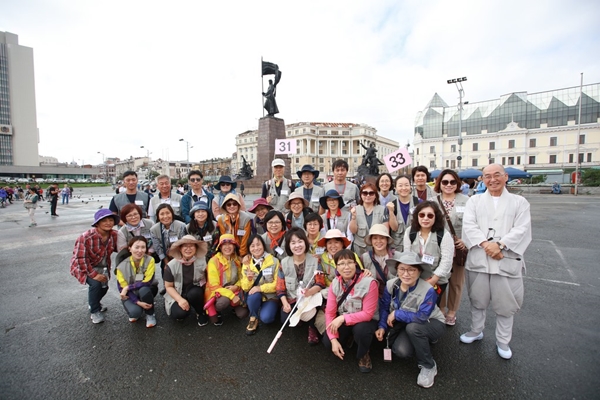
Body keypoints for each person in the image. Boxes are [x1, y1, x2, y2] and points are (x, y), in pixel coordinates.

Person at [460, 164, 532, 360]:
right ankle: (476, 330)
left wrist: (500, 245)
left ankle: (503, 340)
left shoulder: (520, 202)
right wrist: (486, 245)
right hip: (480, 259)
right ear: (482, 179)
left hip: (505, 259)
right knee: (477, 299)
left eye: (497, 175)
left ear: (505, 177)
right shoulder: (474, 201)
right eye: (487, 176)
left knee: (506, 304)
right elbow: (469, 226)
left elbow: (522, 229)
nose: (492, 180)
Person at [376, 252, 446, 388]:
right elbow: (384, 307)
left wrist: (397, 314)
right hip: (407, 322)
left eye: (411, 270)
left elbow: (422, 316)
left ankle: (428, 365)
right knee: (401, 350)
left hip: (431, 322)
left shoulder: (428, 290)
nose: (406, 274)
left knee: (414, 329)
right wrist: (382, 326)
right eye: (402, 269)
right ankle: (421, 340)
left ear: (419, 272)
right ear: (397, 270)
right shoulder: (391, 285)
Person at [323, 249, 378, 373]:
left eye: (349, 262)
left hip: (365, 320)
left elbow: (368, 314)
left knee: (361, 331)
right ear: (336, 267)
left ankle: (364, 353)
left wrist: (342, 318)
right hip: (346, 316)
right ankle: (350, 337)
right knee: (327, 341)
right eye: (341, 263)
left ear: (355, 264)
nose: (346, 267)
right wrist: (333, 339)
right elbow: (330, 313)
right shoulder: (335, 283)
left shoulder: (369, 282)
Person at [276, 227, 325, 343]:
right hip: (293, 298)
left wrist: (310, 292)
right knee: (285, 319)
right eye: (293, 243)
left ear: (305, 242)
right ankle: (300, 319)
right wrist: (285, 303)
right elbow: (280, 287)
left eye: (300, 241)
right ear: (288, 246)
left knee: (314, 310)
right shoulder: (284, 263)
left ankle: (312, 327)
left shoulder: (315, 260)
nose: (297, 246)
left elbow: (320, 282)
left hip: (310, 298)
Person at [69, 209, 119, 324]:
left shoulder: (114, 235)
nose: (108, 223)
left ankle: (95, 302)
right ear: (97, 223)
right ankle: (94, 311)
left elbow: (123, 248)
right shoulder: (86, 237)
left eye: (111, 220)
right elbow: (81, 259)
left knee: (104, 287)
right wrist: (94, 275)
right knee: (96, 284)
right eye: (104, 220)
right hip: (82, 266)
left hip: (102, 266)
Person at [433, 169, 469, 326]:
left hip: (458, 247)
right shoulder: (433, 201)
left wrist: (466, 241)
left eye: (452, 182)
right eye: (445, 182)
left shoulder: (467, 201)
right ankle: (440, 308)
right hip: (438, 248)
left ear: (457, 184)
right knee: (440, 279)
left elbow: (473, 224)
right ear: (439, 184)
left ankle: (452, 311)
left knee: (456, 281)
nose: (448, 185)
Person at [403, 201, 454, 306]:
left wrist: (433, 280)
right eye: (422, 215)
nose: (425, 218)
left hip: (436, 279)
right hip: (415, 278)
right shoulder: (410, 232)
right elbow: (407, 255)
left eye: (430, 215)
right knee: (413, 306)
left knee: (430, 308)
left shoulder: (444, 235)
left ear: (436, 217)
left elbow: (447, 261)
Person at [163, 235, 210, 326]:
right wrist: (180, 300)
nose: (188, 249)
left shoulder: (203, 261)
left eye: (191, 246)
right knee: (179, 314)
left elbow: (208, 279)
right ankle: (181, 305)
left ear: (196, 248)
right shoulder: (171, 265)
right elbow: (168, 286)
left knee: (195, 293)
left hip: (194, 290)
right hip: (178, 292)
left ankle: (200, 312)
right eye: (185, 246)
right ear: (180, 248)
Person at [240, 234, 281, 335]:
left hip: (271, 296)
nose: (256, 248)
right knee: (253, 295)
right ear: (249, 249)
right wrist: (249, 280)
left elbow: (277, 284)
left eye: (258, 245)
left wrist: (260, 288)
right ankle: (253, 317)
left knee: (267, 319)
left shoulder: (274, 261)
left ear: (263, 245)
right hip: (255, 296)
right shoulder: (247, 263)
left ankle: (268, 309)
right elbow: (245, 288)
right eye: (252, 246)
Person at [205, 234, 248, 325]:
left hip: (234, 289)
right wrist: (232, 296)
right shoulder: (213, 261)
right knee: (222, 303)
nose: (227, 247)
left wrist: (236, 287)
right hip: (218, 292)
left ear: (234, 246)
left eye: (230, 244)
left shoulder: (236, 260)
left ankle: (233, 306)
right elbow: (214, 286)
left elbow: (242, 277)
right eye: (224, 244)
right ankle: (216, 309)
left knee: (243, 314)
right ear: (220, 247)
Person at [115, 236, 158, 328]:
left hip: (144, 289)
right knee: (135, 313)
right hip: (130, 294)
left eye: (143, 247)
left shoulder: (150, 260)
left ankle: (150, 314)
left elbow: (147, 281)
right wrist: (138, 302)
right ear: (130, 248)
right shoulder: (121, 266)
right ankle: (139, 306)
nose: (140, 250)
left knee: (144, 290)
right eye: (136, 247)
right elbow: (123, 288)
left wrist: (128, 287)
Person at [150, 203, 187, 293]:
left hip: (179, 255)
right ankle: (167, 288)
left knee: (179, 271)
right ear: (158, 216)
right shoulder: (154, 229)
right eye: (162, 214)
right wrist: (166, 261)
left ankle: (181, 288)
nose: (165, 216)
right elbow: (157, 247)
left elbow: (183, 244)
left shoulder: (181, 226)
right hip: (165, 255)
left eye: (168, 213)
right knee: (166, 268)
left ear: (172, 214)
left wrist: (176, 258)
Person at [350, 183, 390, 256]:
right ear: (361, 195)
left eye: (371, 193)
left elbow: (385, 231)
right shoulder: (355, 209)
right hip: (359, 249)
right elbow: (353, 231)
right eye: (365, 193)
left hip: (377, 249)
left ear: (375, 196)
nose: (368, 195)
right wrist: (353, 218)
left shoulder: (382, 210)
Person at [362, 224, 399, 299]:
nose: (378, 241)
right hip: (374, 297)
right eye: (375, 238)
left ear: (387, 240)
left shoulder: (397, 256)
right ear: (371, 241)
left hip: (394, 296)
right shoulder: (364, 257)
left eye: (382, 238)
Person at [389, 174, 421, 251]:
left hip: (416, 246)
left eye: (406, 185)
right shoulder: (392, 205)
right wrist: (391, 212)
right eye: (400, 185)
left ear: (410, 187)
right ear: (395, 188)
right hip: (397, 247)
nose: (403, 188)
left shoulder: (419, 203)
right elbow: (394, 228)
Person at [216, 193, 253, 257]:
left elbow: (245, 238)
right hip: (228, 250)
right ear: (225, 207)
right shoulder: (221, 219)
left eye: (234, 204)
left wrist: (242, 255)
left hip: (242, 250)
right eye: (229, 204)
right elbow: (223, 238)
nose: (232, 206)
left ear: (238, 205)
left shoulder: (246, 218)